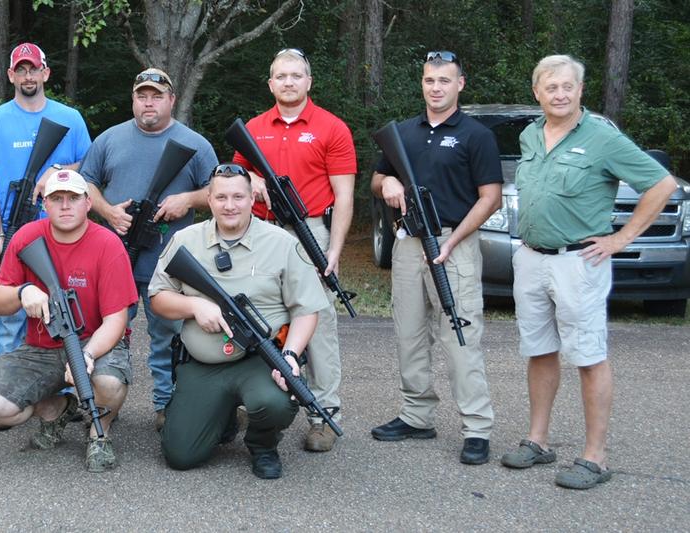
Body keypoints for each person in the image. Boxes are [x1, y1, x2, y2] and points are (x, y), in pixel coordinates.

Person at [499, 54, 677, 489]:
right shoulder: (529, 135)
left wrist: (622, 239)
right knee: (539, 350)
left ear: (581, 90)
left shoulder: (601, 137)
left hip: (579, 262)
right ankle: (538, 441)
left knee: (588, 356)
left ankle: (594, 457)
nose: (559, 94)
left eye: (567, 86)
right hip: (531, 257)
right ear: (537, 92)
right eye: (550, 87)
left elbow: (662, 184)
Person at [149, 164, 327, 479]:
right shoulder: (185, 240)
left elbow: (306, 309)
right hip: (203, 365)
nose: (229, 205)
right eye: (221, 197)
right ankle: (223, 418)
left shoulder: (281, 243)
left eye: (238, 197)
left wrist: (290, 354)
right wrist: (194, 305)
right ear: (209, 199)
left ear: (251, 198)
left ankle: (263, 443)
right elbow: (158, 298)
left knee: (275, 402)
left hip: (260, 359)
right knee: (180, 455)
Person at [369, 51, 502, 465]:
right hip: (408, 243)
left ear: (460, 84)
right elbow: (376, 179)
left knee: (460, 337)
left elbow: (491, 198)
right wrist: (388, 182)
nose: (436, 88)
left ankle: (476, 427)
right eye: (429, 80)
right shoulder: (404, 132)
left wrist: (455, 239)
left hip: (453, 243)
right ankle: (416, 414)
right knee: (408, 334)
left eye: (445, 80)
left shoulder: (476, 135)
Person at [0, 169, 137, 473]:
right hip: (41, 348)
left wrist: (87, 355)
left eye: (73, 198)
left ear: (88, 203)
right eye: (56, 199)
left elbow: (117, 319)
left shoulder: (108, 244)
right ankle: (56, 408)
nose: (65, 205)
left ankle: (98, 433)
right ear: (44, 204)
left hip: (93, 342)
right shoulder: (26, 237)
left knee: (109, 382)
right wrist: (23, 292)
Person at [231, 48, 356, 452]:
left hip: (310, 232)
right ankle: (258, 407)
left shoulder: (331, 127)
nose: (288, 82)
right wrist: (250, 177)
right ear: (271, 83)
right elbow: (235, 174)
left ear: (308, 81)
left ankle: (324, 414)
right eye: (281, 76)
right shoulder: (253, 127)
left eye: (296, 76)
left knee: (316, 321)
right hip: (262, 232)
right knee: (259, 316)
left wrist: (333, 250)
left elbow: (345, 195)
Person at [80, 68, 217, 430]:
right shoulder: (110, 139)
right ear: (133, 100)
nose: (149, 102)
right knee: (108, 334)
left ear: (172, 100)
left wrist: (186, 199)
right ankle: (105, 402)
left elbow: (218, 191)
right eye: (142, 95)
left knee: (169, 339)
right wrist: (108, 212)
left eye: (157, 96)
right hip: (117, 260)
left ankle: (166, 406)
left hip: (171, 266)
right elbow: (86, 182)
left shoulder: (195, 144)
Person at [0, 42, 91, 360]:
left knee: (66, 318)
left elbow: (91, 168)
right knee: (10, 325)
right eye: (21, 70)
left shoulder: (70, 118)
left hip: (64, 237)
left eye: (34, 69)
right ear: (11, 75)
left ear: (46, 73)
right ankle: (4, 396)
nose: (28, 76)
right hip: (14, 236)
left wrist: (57, 170)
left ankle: (68, 393)